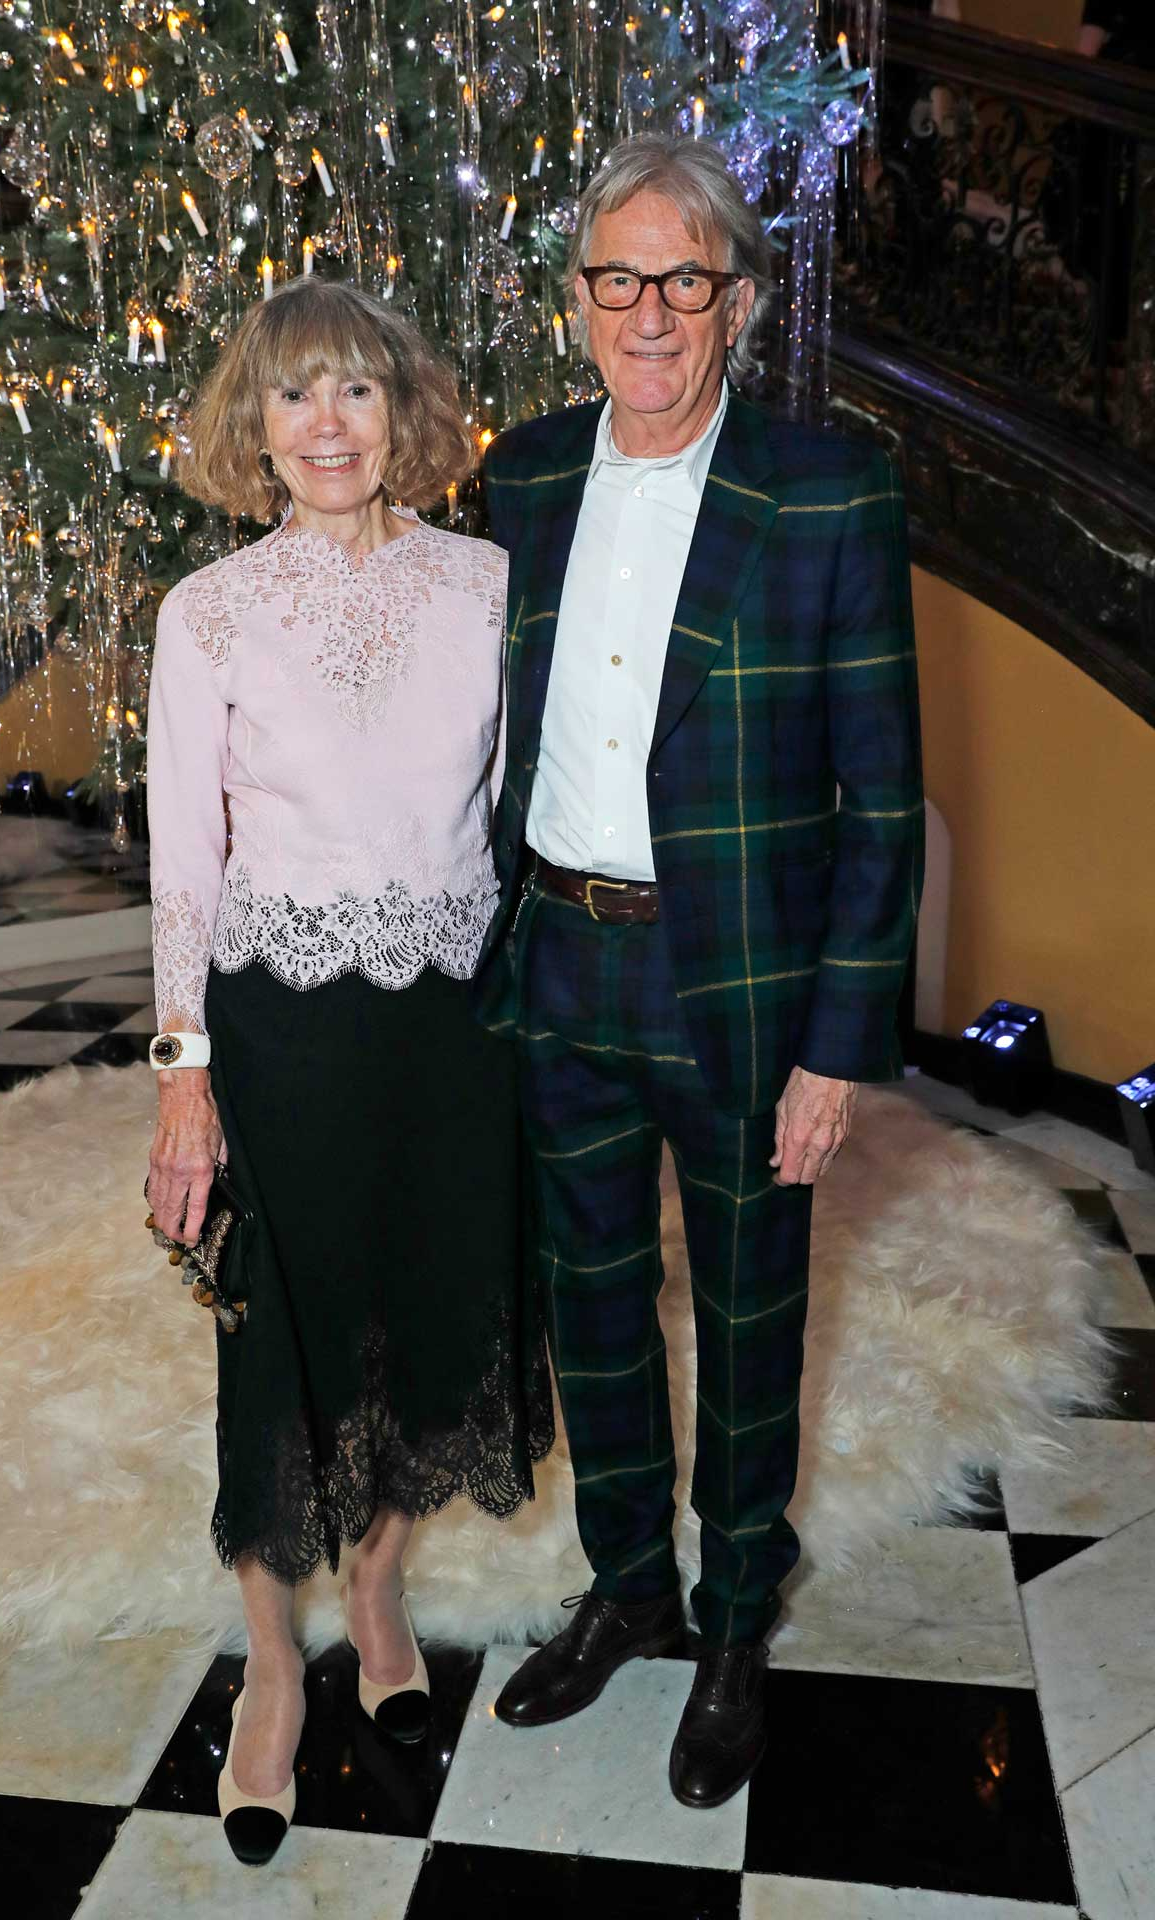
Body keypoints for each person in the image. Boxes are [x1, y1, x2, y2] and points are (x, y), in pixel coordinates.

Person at [477, 134, 924, 1809]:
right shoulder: (518, 478)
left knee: (745, 1317)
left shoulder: (828, 486)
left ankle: (736, 1619)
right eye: (618, 279)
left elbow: (882, 793)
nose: (648, 312)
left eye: (684, 280)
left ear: (734, 301)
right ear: (578, 301)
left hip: (742, 990)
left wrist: (838, 1048)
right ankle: (630, 1585)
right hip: (561, 966)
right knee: (590, 1310)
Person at [145, 278, 554, 1867]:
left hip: (454, 1025)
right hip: (280, 1028)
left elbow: (515, 817)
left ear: (408, 415)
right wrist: (184, 1081)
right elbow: (185, 866)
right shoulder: (212, 614)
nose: (328, 427)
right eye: (296, 397)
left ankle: (377, 1582)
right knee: (283, 1340)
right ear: (256, 425)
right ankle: (267, 1659)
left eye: (358, 394)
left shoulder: (487, 586)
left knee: (437, 1304)